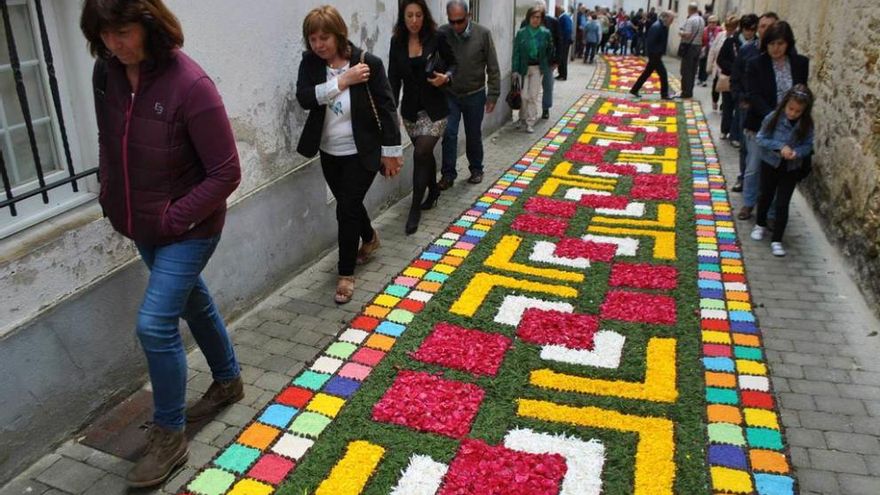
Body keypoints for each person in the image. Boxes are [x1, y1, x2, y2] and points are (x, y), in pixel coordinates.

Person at [80, 0, 243, 486]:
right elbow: (110, 141)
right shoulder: (105, 75)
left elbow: (226, 172)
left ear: (149, 26)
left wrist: (174, 218)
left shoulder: (190, 85)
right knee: (193, 300)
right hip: (141, 223)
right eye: (105, 34)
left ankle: (170, 436)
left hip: (190, 229)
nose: (114, 43)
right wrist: (112, 197)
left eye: (123, 32)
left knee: (155, 325)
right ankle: (229, 380)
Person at [296, 6, 404, 303]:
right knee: (350, 203)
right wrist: (342, 82)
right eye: (312, 39)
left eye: (324, 37)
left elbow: (386, 108)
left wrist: (391, 152)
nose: (318, 45)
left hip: (362, 152)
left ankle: (345, 275)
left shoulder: (368, 64)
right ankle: (369, 238)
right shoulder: (310, 63)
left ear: (339, 33)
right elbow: (304, 98)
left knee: (345, 209)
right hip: (329, 152)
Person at [388, 0, 456, 235]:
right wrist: (391, 113)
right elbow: (393, 80)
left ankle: (415, 208)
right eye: (409, 16)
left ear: (424, 16)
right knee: (425, 155)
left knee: (420, 153)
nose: (414, 21)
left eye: (418, 15)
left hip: (436, 109)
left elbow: (453, 64)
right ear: (403, 18)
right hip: (410, 112)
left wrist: (445, 77)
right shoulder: (396, 42)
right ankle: (434, 192)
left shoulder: (436, 37)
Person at [740, 20, 808, 221]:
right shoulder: (756, 64)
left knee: (779, 170)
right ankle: (749, 203)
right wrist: (774, 118)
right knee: (754, 167)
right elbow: (754, 94)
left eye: (780, 44)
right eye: (771, 44)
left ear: (788, 43)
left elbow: (802, 92)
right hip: (761, 123)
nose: (775, 49)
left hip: (790, 126)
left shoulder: (800, 63)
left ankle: (771, 211)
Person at [438, 0, 500, 190]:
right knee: (449, 134)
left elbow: (493, 66)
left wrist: (493, 95)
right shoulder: (442, 33)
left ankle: (476, 169)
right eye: (452, 21)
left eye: (460, 21)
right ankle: (448, 174)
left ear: (469, 16)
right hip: (450, 94)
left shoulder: (483, 34)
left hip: (475, 94)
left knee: (473, 134)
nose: (456, 26)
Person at [750, 84, 814, 257]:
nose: (792, 113)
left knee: (782, 203)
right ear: (785, 104)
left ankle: (777, 239)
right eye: (790, 109)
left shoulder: (807, 125)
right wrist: (780, 147)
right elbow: (761, 138)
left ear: (804, 111)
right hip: (770, 163)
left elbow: (808, 145)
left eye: (797, 111)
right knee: (765, 196)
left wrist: (797, 152)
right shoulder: (774, 117)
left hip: (791, 168)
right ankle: (760, 224)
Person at [512, 6, 554, 133]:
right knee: (524, 96)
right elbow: (516, 52)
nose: (536, 20)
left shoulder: (545, 33)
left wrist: (546, 65)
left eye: (538, 17)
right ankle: (522, 118)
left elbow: (550, 50)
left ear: (541, 19)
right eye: (533, 17)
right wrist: (514, 69)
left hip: (537, 68)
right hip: (523, 67)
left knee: (533, 96)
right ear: (529, 18)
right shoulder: (521, 33)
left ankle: (530, 121)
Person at [519, 1, 561, 120]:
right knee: (527, 90)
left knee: (547, 85)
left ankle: (546, 108)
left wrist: (557, 60)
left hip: (547, 61)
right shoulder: (525, 23)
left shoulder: (553, 22)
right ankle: (526, 113)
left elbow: (559, 41)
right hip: (529, 62)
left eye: (541, 12)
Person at [628, 11, 674, 100]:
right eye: (671, 19)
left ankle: (634, 90)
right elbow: (650, 42)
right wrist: (655, 54)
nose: (671, 22)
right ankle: (664, 94)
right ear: (666, 18)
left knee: (646, 73)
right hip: (654, 55)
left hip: (655, 55)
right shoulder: (657, 26)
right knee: (663, 74)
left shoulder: (662, 26)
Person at [712, 15, 740, 136]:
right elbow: (718, 57)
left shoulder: (739, 41)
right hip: (727, 75)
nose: (730, 30)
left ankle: (734, 132)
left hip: (740, 79)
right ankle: (725, 130)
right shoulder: (725, 38)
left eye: (733, 27)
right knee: (727, 104)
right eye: (728, 27)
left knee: (737, 106)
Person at [677, 3, 705, 98]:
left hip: (689, 47)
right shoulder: (701, 20)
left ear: (689, 10)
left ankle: (685, 92)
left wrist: (681, 32)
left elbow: (688, 34)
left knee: (686, 70)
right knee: (693, 70)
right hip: (698, 46)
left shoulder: (690, 20)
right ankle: (690, 91)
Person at [698, 15, 722, 87]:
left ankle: (705, 79)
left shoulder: (719, 30)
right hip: (706, 49)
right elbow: (701, 40)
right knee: (703, 63)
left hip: (715, 50)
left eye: (714, 22)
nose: (712, 24)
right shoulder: (704, 30)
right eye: (710, 22)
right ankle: (701, 79)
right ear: (708, 23)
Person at [556, 5, 574, 80]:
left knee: (563, 58)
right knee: (561, 58)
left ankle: (563, 75)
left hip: (564, 42)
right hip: (564, 41)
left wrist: (562, 39)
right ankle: (560, 74)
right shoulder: (564, 17)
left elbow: (567, 30)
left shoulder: (564, 18)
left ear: (559, 11)